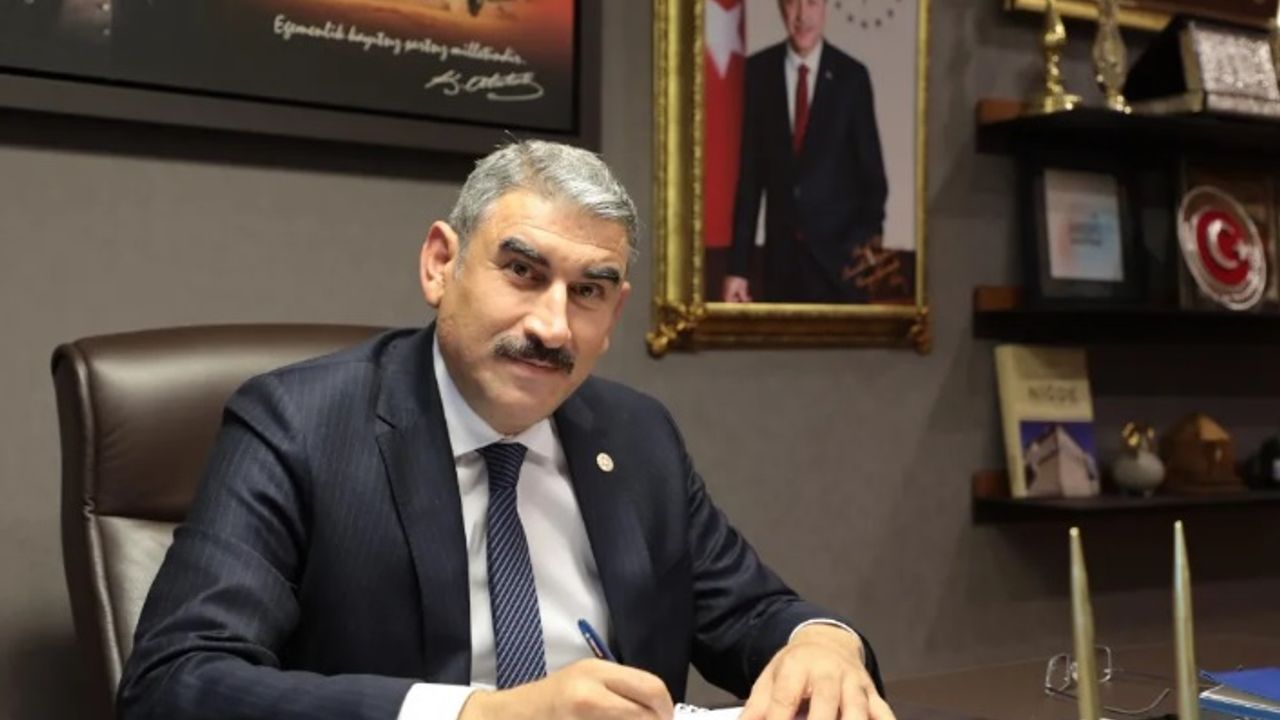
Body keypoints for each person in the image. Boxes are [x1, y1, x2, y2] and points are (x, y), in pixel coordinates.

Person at [118, 140, 893, 720]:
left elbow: (750, 613)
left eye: (587, 292)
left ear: (615, 313)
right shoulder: (299, 425)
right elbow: (174, 683)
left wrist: (823, 642)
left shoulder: (637, 435)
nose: (552, 326)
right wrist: (478, 715)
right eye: (523, 272)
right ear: (439, 264)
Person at [723, 0, 888, 304]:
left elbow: (873, 182)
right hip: (780, 269)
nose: (802, 15)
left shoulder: (852, 77)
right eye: (792, 3)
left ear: (824, 6)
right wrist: (738, 269)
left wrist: (859, 255)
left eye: (811, 2)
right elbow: (750, 181)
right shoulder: (759, 73)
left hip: (841, 273)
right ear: (780, 8)